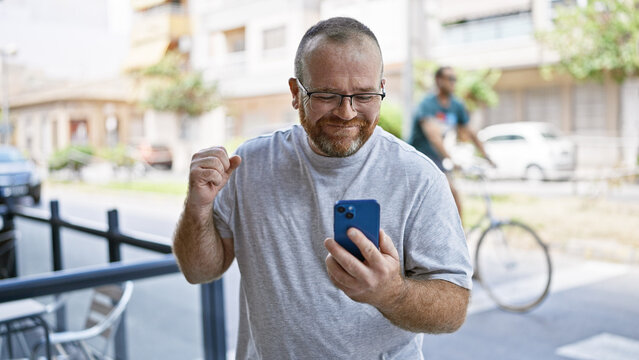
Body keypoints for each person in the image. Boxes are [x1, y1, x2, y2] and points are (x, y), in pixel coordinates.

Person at [173, 17, 472, 359]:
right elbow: (199, 270)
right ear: (295, 93)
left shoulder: (417, 176)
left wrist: (392, 292)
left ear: (382, 89)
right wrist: (197, 207)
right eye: (327, 95)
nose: (346, 112)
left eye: (363, 95)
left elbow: (454, 308)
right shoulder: (250, 164)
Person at [409, 66, 494, 219]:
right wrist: (451, 159)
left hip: (437, 159)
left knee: (453, 198)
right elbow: (433, 136)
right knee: (451, 192)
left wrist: (487, 156)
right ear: (438, 80)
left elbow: (471, 132)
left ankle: (459, 236)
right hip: (419, 157)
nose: (454, 82)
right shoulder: (427, 104)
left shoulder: (456, 105)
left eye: (455, 79)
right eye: (450, 78)